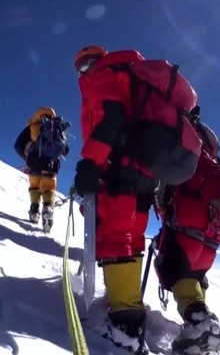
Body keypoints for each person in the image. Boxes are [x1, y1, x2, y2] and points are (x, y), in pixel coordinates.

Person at [71, 45, 160, 354]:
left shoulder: (103, 76)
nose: (83, 73)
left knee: (113, 239)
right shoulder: (131, 78)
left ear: (95, 62)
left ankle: (126, 329)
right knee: (131, 239)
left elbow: (110, 122)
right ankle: (127, 305)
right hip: (144, 175)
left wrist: (91, 162)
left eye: (84, 66)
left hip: (117, 170)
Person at [152, 110, 220, 354]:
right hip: (212, 238)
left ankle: (200, 326)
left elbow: (165, 191)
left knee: (176, 272)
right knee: (194, 277)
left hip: (187, 227)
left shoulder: (184, 154)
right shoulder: (212, 161)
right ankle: (208, 328)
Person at [13, 106, 70, 231]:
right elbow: (65, 150)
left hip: (33, 161)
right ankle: (48, 208)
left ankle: (34, 210)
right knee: (48, 188)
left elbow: (17, 145)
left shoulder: (31, 127)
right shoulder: (57, 128)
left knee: (34, 186)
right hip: (51, 163)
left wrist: (26, 157)